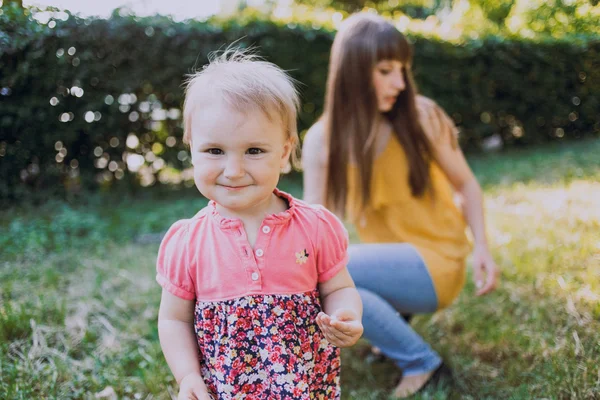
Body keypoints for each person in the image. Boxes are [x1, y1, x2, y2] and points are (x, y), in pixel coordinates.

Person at [302, 13, 500, 398]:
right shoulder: (322, 140)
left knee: (337, 272)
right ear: (353, 72)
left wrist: (483, 247)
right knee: (319, 270)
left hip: (439, 260)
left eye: (403, 70)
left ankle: (422, 364)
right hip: (395, 261)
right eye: (386, 70)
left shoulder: (421, 116)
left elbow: (467, 185)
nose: (400, 83)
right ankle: (392, 319)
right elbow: (314, 224)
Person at [155, 49, 363, 400]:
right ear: (191, 149)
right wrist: (187, 375)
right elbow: (173, 320)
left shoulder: (314, 226)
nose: (233, 170)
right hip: (225, 389)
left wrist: (346, 313)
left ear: (283, 153)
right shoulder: (188, 241)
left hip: (303, 386)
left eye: (254, 151)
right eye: (215, 151)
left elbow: (338, 287)